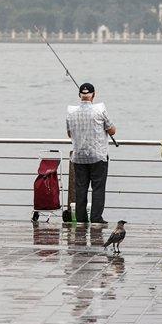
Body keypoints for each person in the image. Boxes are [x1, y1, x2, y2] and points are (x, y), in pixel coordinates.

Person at [65, 82, 116, 225]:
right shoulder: (100, 111)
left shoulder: (71, 113)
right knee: (98, 188)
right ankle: (96, 218)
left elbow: (69, 134)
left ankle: (81, 219)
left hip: (79, 156)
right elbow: (112, 130)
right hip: (98, 156)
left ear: (79, 95)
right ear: (93, 95)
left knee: (80, 188)